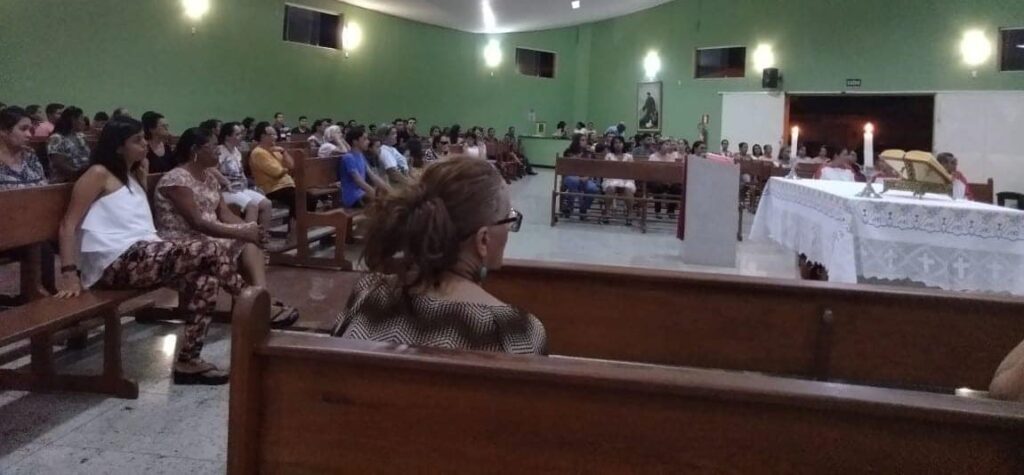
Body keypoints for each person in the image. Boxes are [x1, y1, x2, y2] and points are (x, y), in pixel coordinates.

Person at [56, 117, 248, 385]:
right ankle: (252, 304)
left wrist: (142, 171)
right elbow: (68, 224)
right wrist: (69, 273)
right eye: (137, 140)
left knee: (206, 281)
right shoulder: (98, 173)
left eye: (144, 138)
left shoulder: (134, 174)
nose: (145, 144)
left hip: (144, 253)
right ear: (118, 146)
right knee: (210, 248)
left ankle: (188, 361)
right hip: (113, 262)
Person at [330, 158, 545, 354]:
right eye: (509, 219)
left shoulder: (367, 293)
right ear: (483, 240)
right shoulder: (516, 333)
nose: (509, 229)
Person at [155, 127, 298, 328]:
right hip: (184, 239)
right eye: (213, 146)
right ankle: (258, 303)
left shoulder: (209, 177)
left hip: (208, 233)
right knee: (245, 240)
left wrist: (250, 229)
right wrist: (241, 232)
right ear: (195, 150)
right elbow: (197, 222)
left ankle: (257, 299)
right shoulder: (176, 179)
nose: (218, 151)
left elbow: (224, 213)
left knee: (250, 239)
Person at [249, 121, 306, 231]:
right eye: (272, 134)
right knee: (299, 198)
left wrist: (284, 152)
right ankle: (294, 232)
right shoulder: (258, 152)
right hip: (272, 188)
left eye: (275, 134)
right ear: (262, 136)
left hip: (286, 185)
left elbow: (292, 165)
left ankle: (298, 229)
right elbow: (277, 173)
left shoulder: (275, 150)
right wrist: (287, 170)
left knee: (310, 198)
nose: (275, 137)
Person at [217, 122, 272, 228]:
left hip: (240, 188)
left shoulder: (236, 151)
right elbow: (211, 169)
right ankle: (248, 236)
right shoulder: (220, 151)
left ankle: (263, 234)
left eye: (240, 134)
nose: (241, 136)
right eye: (237, 134)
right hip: (226, 190)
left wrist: (250, 185)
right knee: (252, 206)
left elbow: (241, 171)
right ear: (227, 136)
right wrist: (225, 181)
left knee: (266, 204)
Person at [338, 128, 389, 209]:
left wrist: (388, 189)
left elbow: (373, 176)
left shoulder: (361, 156)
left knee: (388, 199)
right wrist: (374, 194)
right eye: (364, 139)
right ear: (355, 142)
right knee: (383, 205)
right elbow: (358, 181)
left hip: (362, 194)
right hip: (353, 198)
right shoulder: (348, 158)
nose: (368, 142)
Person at [0, 106, 49, 190]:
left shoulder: (31, 158)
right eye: (23, 129)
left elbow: (45, 188)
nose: (29, 135)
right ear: (3, 131)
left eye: (30, 130)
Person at [46, 106, 92, 183]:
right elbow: (58, 164)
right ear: (73, 120)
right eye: (81, 119)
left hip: (84, 177)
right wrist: (78, 174)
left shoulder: (81, 136)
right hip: (65, 179)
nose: (84, 122)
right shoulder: (57, 138)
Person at [561, 134, 600, 220]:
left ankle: (583, 208)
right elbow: (565, 168)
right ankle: (570, 207)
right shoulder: (568, 152)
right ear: (576, 141)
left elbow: (593, 169)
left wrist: (587, 177)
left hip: (586, 178)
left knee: (593, 189)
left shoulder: (589, 154)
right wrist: (578, 178)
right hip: (570, 177)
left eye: (585, 140)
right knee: (574, 181)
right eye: (582, 140)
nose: (585, 142)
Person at [601, 136, 636, 226]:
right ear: (612, 145)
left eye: (620, 142)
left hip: (626, 179)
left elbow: (631, 171)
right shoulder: (609, 156)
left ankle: (630, 213)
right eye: (616, 143)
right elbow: (606, 170)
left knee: (627, 188)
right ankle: (607, 212)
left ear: (623, 144)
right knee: (611, 187)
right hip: (611, 178)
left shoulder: (629, 156)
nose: (618, 144)